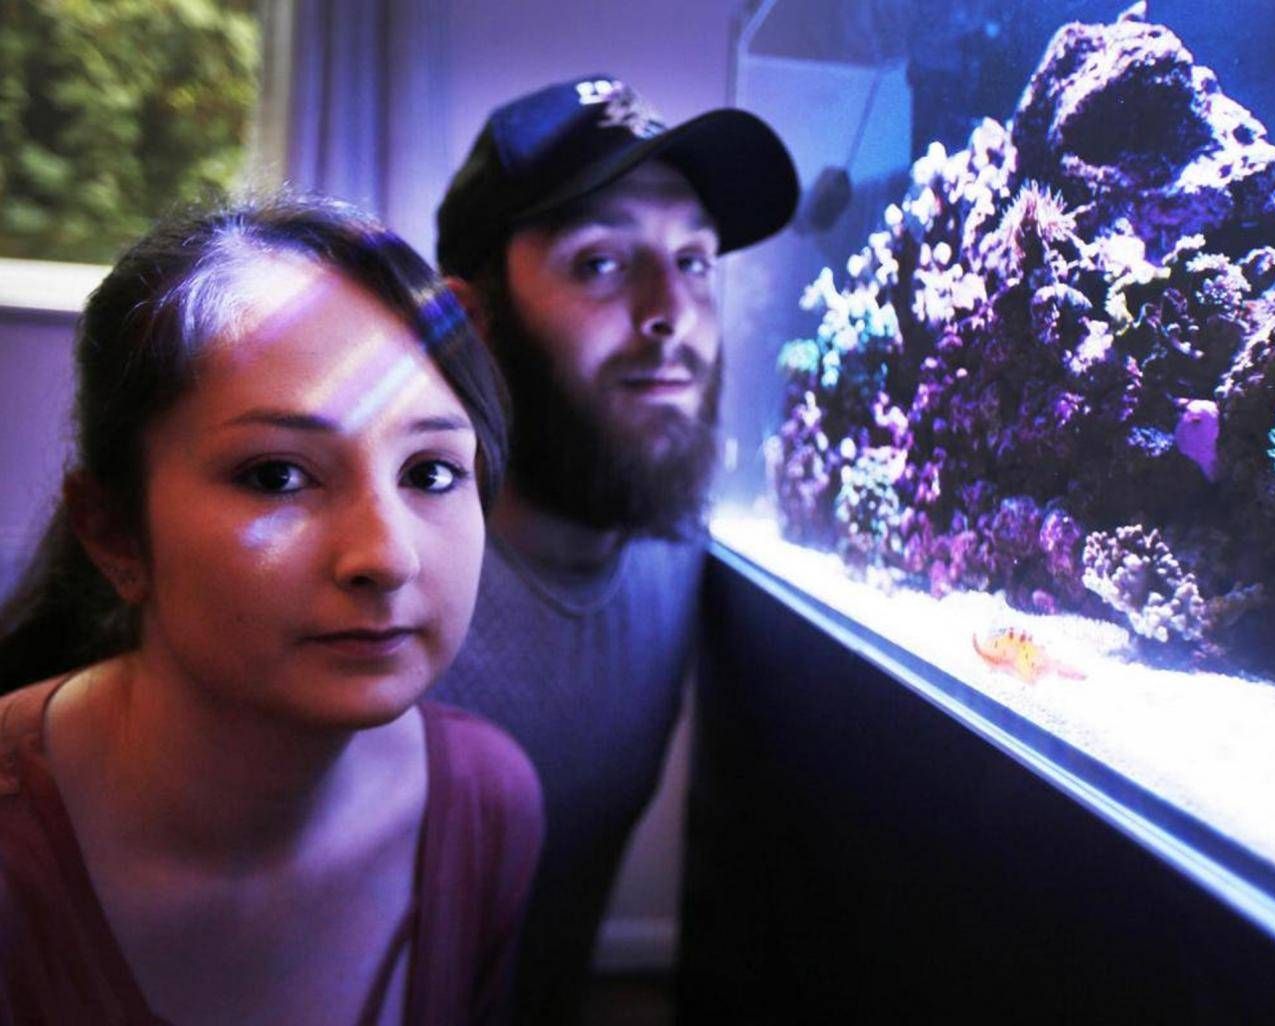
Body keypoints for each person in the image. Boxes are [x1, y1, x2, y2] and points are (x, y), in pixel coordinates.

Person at [0, 194, 543, 1025]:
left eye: (430, 472)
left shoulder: (486, 807)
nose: (387, 557)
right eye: (277, 476)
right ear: (113, 532)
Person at [430, 75, 798, 1022]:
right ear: (471, 324)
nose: (671, 312)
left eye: (697, 259)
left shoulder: (676, 537)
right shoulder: (387, 600)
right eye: (601, 262)